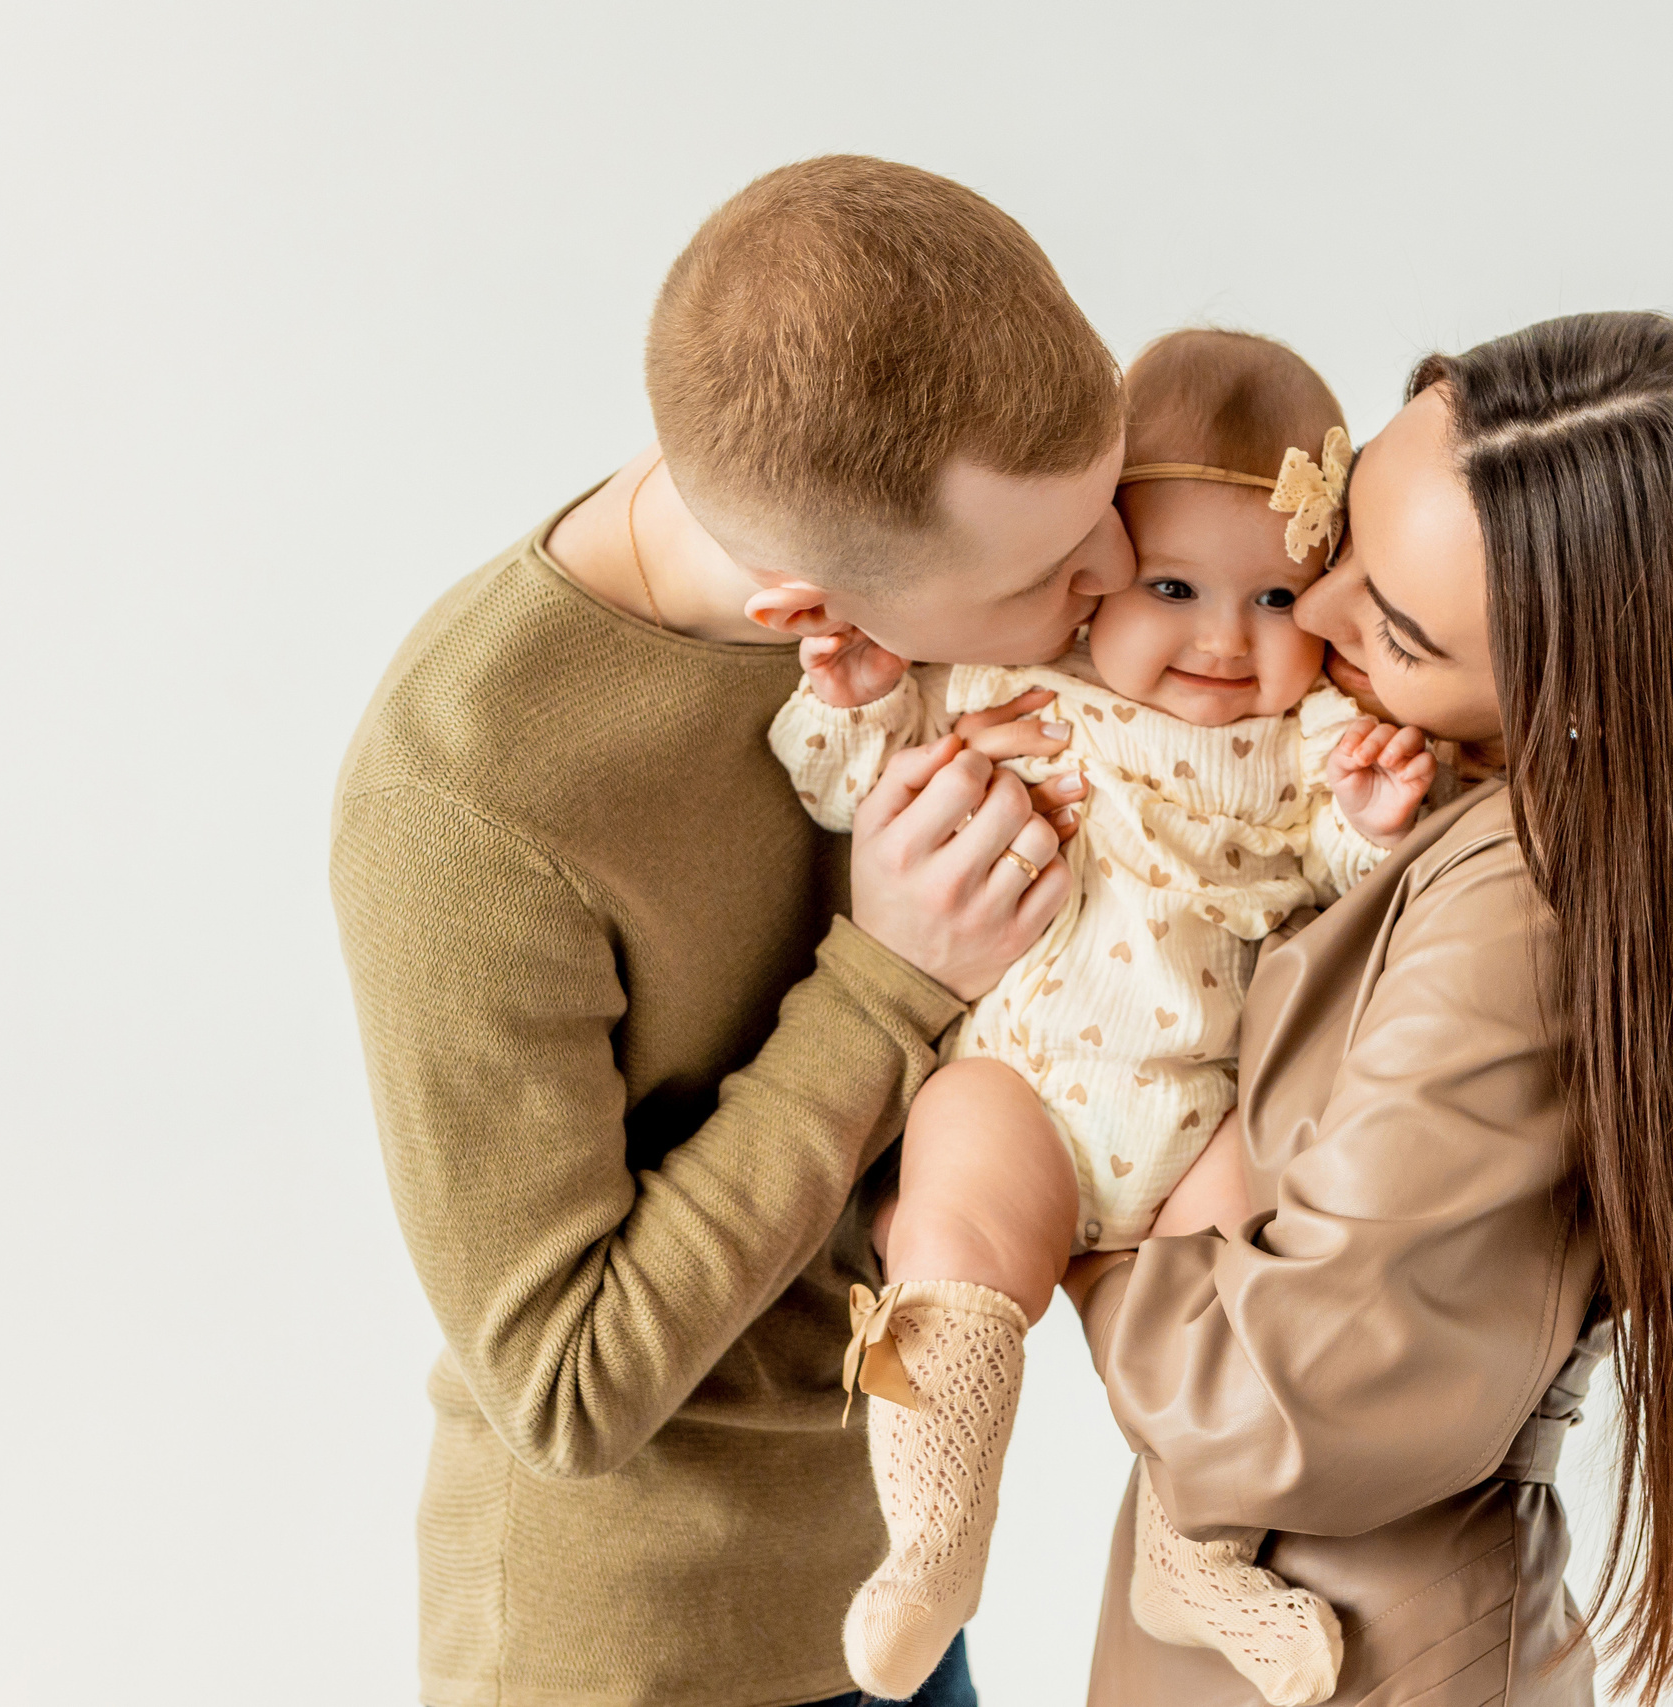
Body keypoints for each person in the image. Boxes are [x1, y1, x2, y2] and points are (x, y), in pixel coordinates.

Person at [329, 155, 1135, 1707]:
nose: (1109, 585)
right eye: (1049, 574)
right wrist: (886, 981)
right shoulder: (464, 798)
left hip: (892, 1578)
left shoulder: (919, 602)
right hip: (636, 1651)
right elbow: (562, 1389)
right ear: (811, 618)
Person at [1064, 311, 1673, 1706]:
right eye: (1348, 542)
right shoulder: (1424, 799)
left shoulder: (1519, 908)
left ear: (1573, 692)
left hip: (1360, 1656)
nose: (1308, 616)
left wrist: (1035, 1197)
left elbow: (1279, 1395)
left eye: (1389, 624)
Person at [770, 330, 1435, 1701]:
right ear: (1093, 576)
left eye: (1274, 599)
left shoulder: (1308, 746)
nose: (1221, 638)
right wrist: (858, 693)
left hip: (1201, 1115)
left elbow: (1367, 892)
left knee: (1257, 1285)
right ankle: (937, 1535)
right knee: (955, 1211)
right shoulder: (1016, 687)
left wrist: (1374, 823)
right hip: (1029, 1086)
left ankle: (1196, 1551)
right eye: (1175, 585)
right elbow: (852, 786)